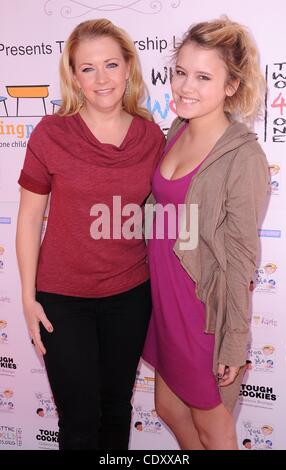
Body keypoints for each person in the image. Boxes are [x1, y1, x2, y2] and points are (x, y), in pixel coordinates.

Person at [16, 18, 165, 450]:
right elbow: (28, 219)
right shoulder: (51, 133)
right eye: (88, 68)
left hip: (130, 294)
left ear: (129, 69)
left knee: (117, 409)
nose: (102, 79)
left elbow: (165, 214)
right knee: (79, 422)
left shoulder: (150, 136)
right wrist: (27, 299)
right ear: (74, 77)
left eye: (111, 64)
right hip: (63, 299)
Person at [142, 17, 269, 450]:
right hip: (163, 301)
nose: (184, 86)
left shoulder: (243, 156)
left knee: (215, 431)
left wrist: (234, 344)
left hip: (201, 311)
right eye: (180, 72)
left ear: (231, 86)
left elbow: (241, 258)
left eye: (202, 77)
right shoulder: (176, 131)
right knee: (169, 409)